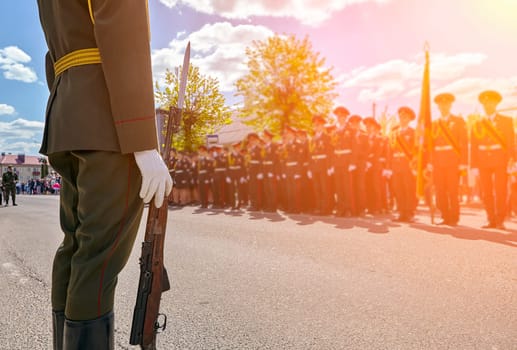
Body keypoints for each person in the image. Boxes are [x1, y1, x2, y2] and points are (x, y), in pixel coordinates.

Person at [37, 2, 173, 349]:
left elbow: (53, 57)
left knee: (76, 248)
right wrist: (143, 140)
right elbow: (124, 34)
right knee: (97, 259)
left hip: (68, 114)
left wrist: (69, 101)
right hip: (108, 120)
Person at [471, 90, 515, 230]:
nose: (487, 105)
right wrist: (474, 165)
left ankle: (500, 220)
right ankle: (491, 219)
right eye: (485, 103)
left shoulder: (506, 121)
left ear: (496, 103)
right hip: (483, 161)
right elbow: (474, 145)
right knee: (486, 192)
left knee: (501, 190)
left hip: (501, 160)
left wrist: (512, 160)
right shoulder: (477, 123)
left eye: (490, 102)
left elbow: (511, 142)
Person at [430, 93, 468, 226]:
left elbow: (463, 142)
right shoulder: (434, 123)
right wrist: (430, 162)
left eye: (446, 104)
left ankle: (454, 217)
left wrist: (463, 163)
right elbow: (431, 145)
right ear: (438, 107)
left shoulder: (458, 121)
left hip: (453, 161)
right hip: (438, 162)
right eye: (441, 104)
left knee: (452, 190)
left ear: (450, 105)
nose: (444, 106)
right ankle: (445, 216)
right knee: (440, 191)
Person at [389, 107, 417, 222]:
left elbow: (416, 150)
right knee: (398, 189)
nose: (402, 118)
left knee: (409, 189)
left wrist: (415, 166)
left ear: (410, 119)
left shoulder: (413, 132)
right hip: (396, 164)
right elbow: (389, 150)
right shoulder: (394, 133)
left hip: (408, 164)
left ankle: (409, 212)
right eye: (400, 116)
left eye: (405, 117)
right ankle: (401, 212)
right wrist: (389, 166)